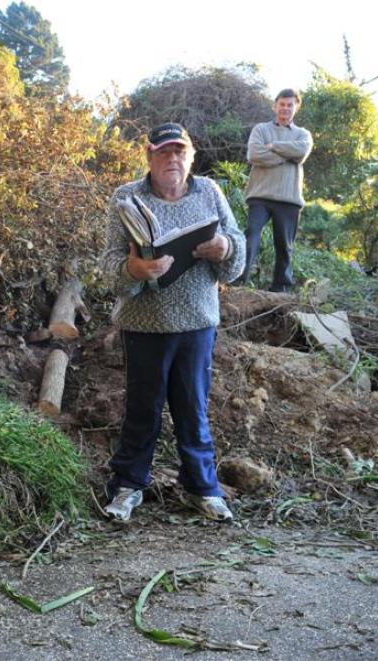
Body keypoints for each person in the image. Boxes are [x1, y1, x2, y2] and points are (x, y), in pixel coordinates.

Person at [102, 122, 245, 522]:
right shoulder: (126, 196)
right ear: (149, 156)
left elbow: (238, 252)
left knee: (193, 408)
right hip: (144, 325)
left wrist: (225, 247)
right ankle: (127, 486)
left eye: (179, 152)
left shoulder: (211, 193)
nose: (173, 159)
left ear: (191, 157)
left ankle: (200, 488)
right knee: (142, 408)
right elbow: (109, 266)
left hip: (198, 322)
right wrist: (133, 269)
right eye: (164, 152)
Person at [240, 89, 313, 291]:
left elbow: (301, 152)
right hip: (260, 196)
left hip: (289, 198)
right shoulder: (261, 130)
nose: (286, 108)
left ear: (296, 108)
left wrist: (273, 146)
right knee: (251, 235)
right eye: (282, 104)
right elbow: (255, 155)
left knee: (284, 246)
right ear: (275, 106)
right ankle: (239, 280)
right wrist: (287, 156)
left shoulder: (303, 134)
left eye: (290, 105)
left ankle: (280, 289)